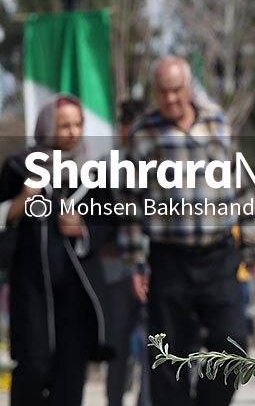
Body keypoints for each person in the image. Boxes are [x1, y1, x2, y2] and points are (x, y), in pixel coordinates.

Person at [119, 57, 255, 406]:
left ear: (189, 87)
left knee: (233, 342)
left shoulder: (216, 122)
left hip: (218, 254)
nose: (170, 99)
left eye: (176, 90)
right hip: (169, 258)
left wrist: (252, 246)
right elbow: (129, 202)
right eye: (163, 92)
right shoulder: (144, 133)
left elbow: (239, 185)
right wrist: (136, 262)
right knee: (168, 354)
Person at [0, 95, 116, 406]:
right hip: (32, 289)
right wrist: (24, 197)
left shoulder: (94, 174)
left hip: (77, 293)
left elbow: (109, 221)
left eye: (78, 124)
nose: (72, 131)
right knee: (33, 366)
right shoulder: (18, 167)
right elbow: (3, 217)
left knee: (70, 372)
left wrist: (83, 229)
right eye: (63, 125)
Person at [105, 97, 149, 406]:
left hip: (153, 267)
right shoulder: (108, 167)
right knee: (118, 347)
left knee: (153, 346)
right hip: (117, 270)